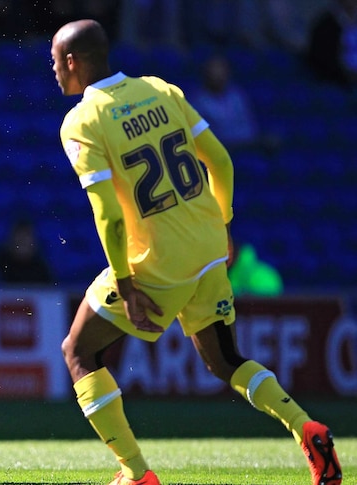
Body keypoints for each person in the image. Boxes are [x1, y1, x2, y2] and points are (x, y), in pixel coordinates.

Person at [50, 19, 340, 485]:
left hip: (158, 263)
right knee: (226, 360)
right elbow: (220, 160)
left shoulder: (82, 122)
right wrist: (222, 226)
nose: (54, 73)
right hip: (208, 247)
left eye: (54, 62)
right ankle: (307, 427)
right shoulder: (160, 90)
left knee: (79, 351)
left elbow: (108, 213)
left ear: (71, 62)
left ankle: (136, 473)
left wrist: (125, 283)